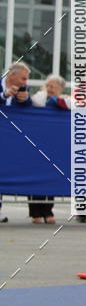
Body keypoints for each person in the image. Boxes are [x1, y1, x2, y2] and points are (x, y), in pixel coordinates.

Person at [30, 74, 71, 223]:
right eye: (47, 86)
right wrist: (42, 91)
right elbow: (35, 101)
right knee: (34, 175)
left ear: (60, 88)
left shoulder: (65, 100)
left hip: (54, 144)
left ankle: (48, 210)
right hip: (37, 143)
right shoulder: (40, 99)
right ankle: (35, 212)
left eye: (52, 86)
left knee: (50, 177)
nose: (49, 89)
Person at [1, 62, 33, 222]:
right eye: (23, 78)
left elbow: (29, 106)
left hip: (9, 139)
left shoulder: (24, 89)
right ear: (12, 75)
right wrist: (4, 95)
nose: (25, 83)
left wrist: (25, 99)